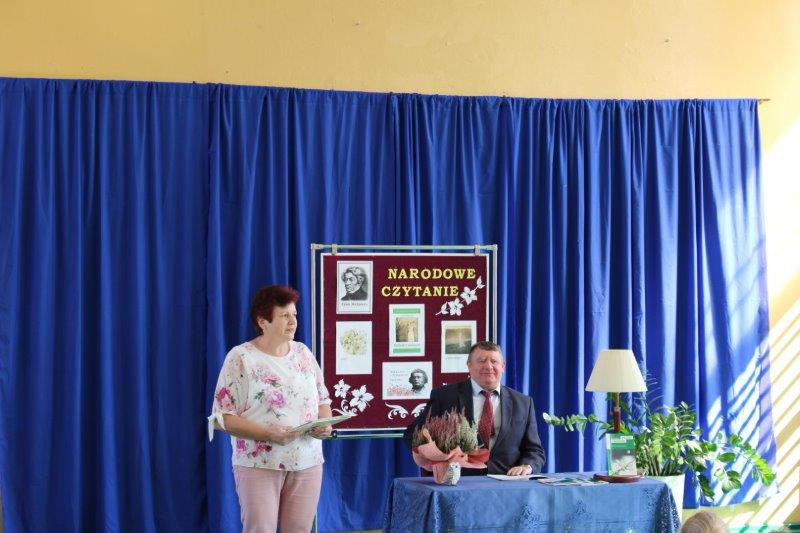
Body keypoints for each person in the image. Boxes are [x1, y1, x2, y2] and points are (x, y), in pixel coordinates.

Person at [208, 285, 332, 533]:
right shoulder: (241, 358)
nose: (293, 321)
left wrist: (325, 424)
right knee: (260, 529)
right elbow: (223, 419)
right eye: (284, 316)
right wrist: (268, 433)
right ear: (262, 321)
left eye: (294, 314)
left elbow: (323, 400)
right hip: (259, 463)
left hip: (307, 461)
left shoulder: (303, 353)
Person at [403, 341, 546, 476]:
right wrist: (433, 457)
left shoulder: (523, 403)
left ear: (503, 366)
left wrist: (527, 466)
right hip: (457, 483)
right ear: (469, 365)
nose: (488, 366)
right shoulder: (445, 396)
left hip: (507, 484)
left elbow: (534, 450)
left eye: (494, 361)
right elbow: (412, 434)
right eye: (481, 361)